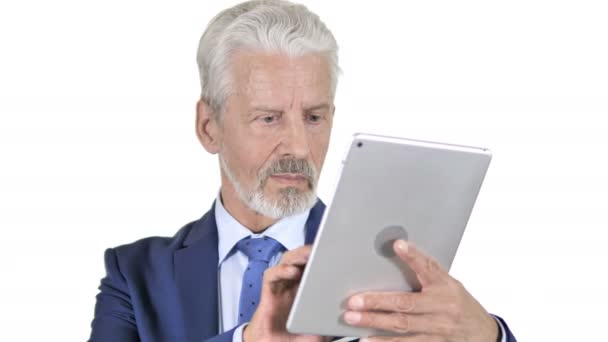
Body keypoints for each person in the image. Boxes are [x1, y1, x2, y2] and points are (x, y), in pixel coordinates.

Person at [88, 1, 517, 341]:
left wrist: (487, 335)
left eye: (314, 117)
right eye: (269, 118)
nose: (298, 146)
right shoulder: (136, 273)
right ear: (208, 127)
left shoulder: (392, 271)